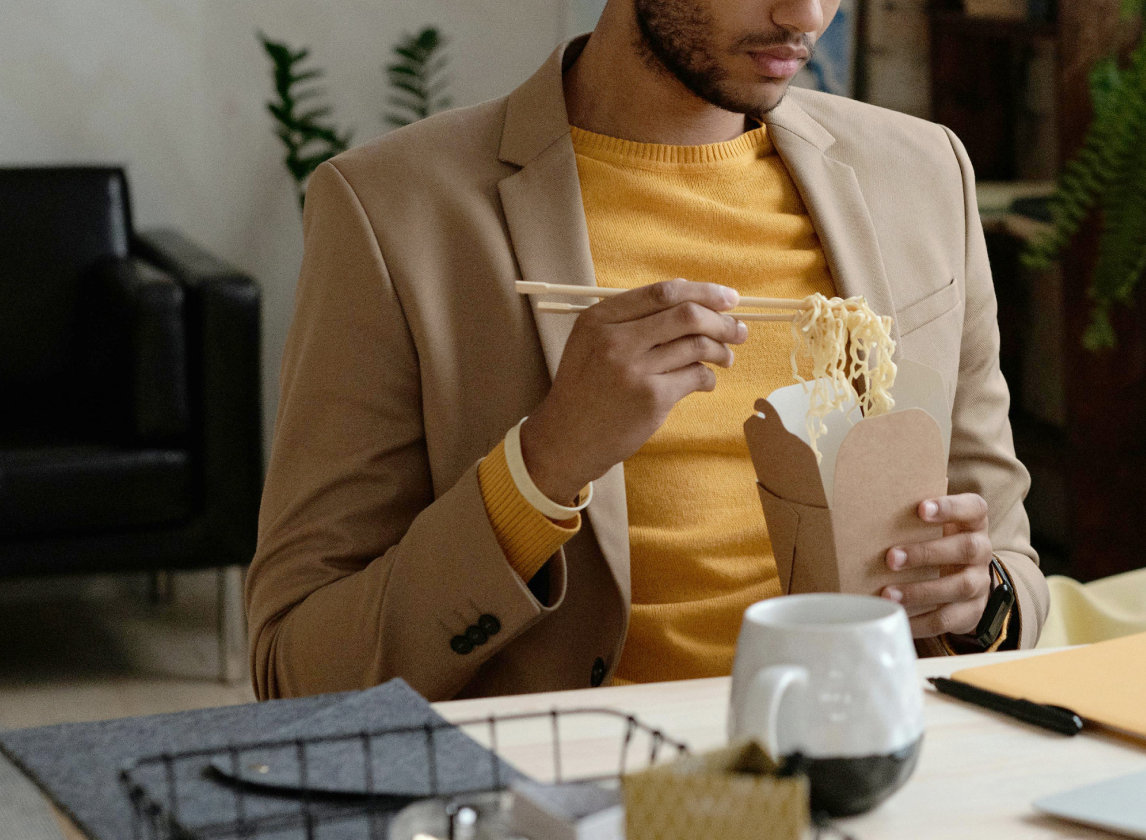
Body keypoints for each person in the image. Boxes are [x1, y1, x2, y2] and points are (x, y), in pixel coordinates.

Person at [246, 0, 1050, 702]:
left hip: (871, 758)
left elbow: (1010, 562)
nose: (807, 15)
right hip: (589, 782)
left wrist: (980, 601)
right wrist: (544, 463)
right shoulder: (392, 214)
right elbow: (297, 672)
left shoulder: (923, 173)